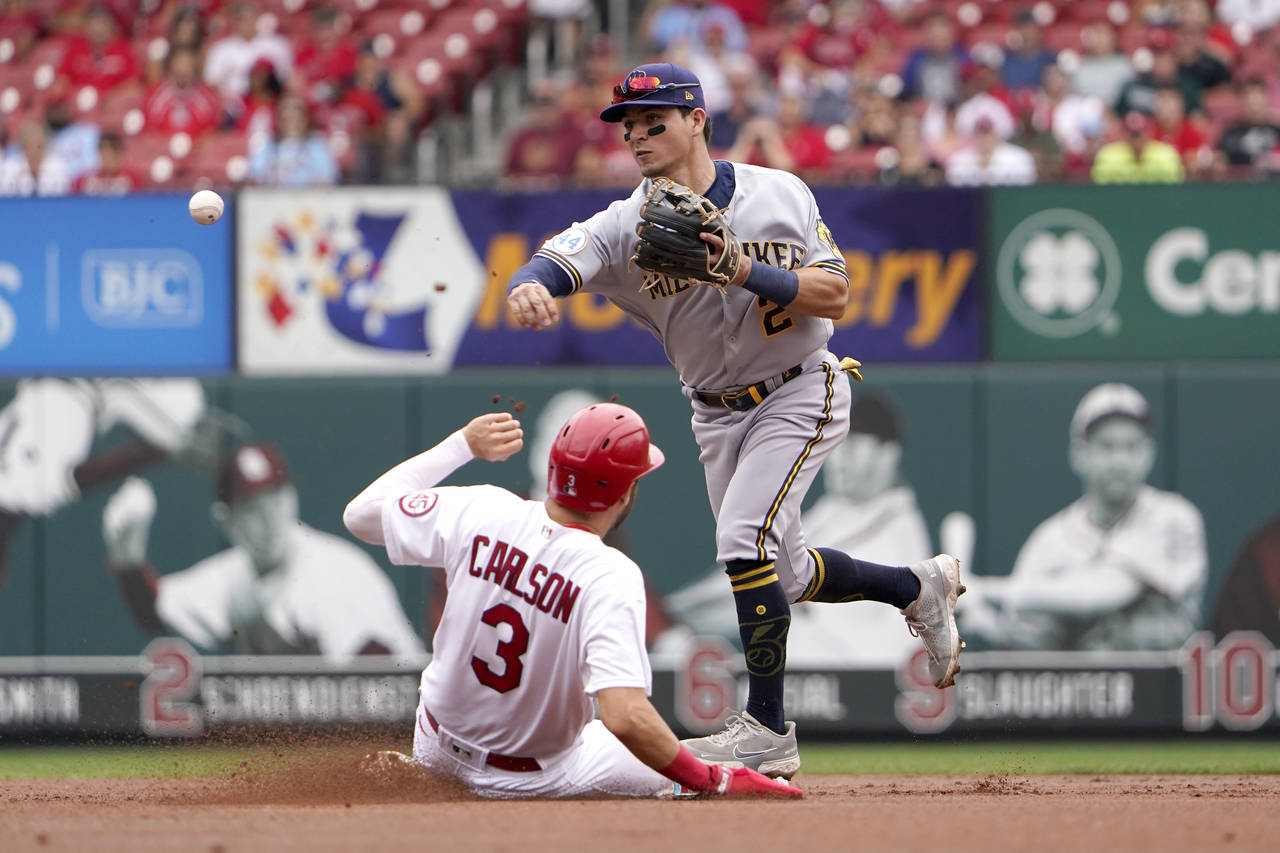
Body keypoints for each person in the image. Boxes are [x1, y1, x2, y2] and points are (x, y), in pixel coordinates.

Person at [505, 62, 963, 778]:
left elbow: (835, 294)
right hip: (715, 414)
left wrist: (741, 268)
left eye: (654, 120)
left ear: (696, 120)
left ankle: (769, 728)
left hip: (799, 387)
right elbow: (555, 259)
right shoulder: (628, 223)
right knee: (780, 573)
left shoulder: (778, 192)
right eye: (628, 126)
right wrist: (530, 286)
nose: (638, 135)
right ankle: (916, 586)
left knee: (741, 540)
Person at [343, 404, 800, 799]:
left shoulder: (482, 508)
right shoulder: (609, 573)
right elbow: (625, 716)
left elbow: (360, 515)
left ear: (553, 471)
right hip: (537, 778)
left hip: (435, 745)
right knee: (681, 763)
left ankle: (423, 775)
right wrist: (713, 780)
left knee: (643, 747)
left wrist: (462, 444)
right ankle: (707, 781)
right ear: (625, 493)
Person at [102, 442, 424, 659]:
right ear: (225, 521)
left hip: (406, 727)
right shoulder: (236, 574)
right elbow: (156, 612)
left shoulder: (334, 574)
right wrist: (128, 560)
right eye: (253, 509)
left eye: (277, 499)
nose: (271, 519)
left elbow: (376, 679)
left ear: (292, 498)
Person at [960, 383, 1207, 651]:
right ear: (1079, 454)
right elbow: (1033, 642)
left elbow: (1102, 592)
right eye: (1107, 446)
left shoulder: (1175, 519)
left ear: (1149, 453)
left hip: (1165, 687)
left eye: (1131, 446)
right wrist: (982, 621)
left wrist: (979, 588)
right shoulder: (1049, 540)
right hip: (1081, 691)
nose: (1120, 461)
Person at [0, 378, 215, 588]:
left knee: (185, 417)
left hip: (96, 383)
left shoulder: (28, 497)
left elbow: (95, 473)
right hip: (45, 372)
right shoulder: (19, 498)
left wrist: (167, 449)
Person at [1091, 111, 1186, 183]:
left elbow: (1175, 181)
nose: (1136, 141)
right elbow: (1100, 181)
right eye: (1133, 135)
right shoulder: (1108, 155)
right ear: (1125, 135)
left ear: (1148, 134)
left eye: (1139, 135)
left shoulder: (1165, 154)